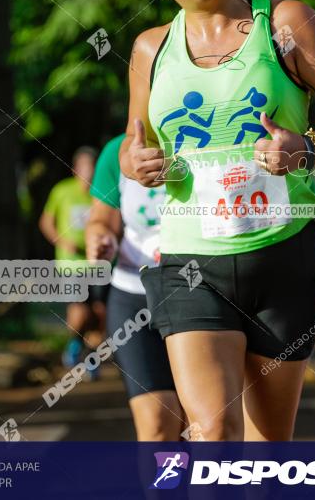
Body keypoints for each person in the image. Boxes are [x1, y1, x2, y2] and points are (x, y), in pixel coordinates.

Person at [120, 0, 315, 441]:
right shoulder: (149, 49)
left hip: (283, 254)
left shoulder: (287, 23)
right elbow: (132, 141)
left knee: (266, 450)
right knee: (213, 432)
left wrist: (305, 146)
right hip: (192, 263)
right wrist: (136, 163)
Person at [85, 134, 184, 441]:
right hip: (133, 294)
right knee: (157, 422)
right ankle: (167, 487)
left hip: (202, 294)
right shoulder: (118, 151)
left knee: (205, 424)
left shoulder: (214, 139)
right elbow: (101, 220)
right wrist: (101, 238)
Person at [39, 146, 106, 373]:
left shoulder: (102, 191)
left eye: (93, 168)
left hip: (99, 263)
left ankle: (91, 358)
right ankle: (75, 343)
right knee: (80, 311)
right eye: (85, 167)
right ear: (76, 170)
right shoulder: (62, 191)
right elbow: (46, 222)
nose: (89, 173)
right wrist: (62, 241)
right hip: (71, 264)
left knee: (99, 311)